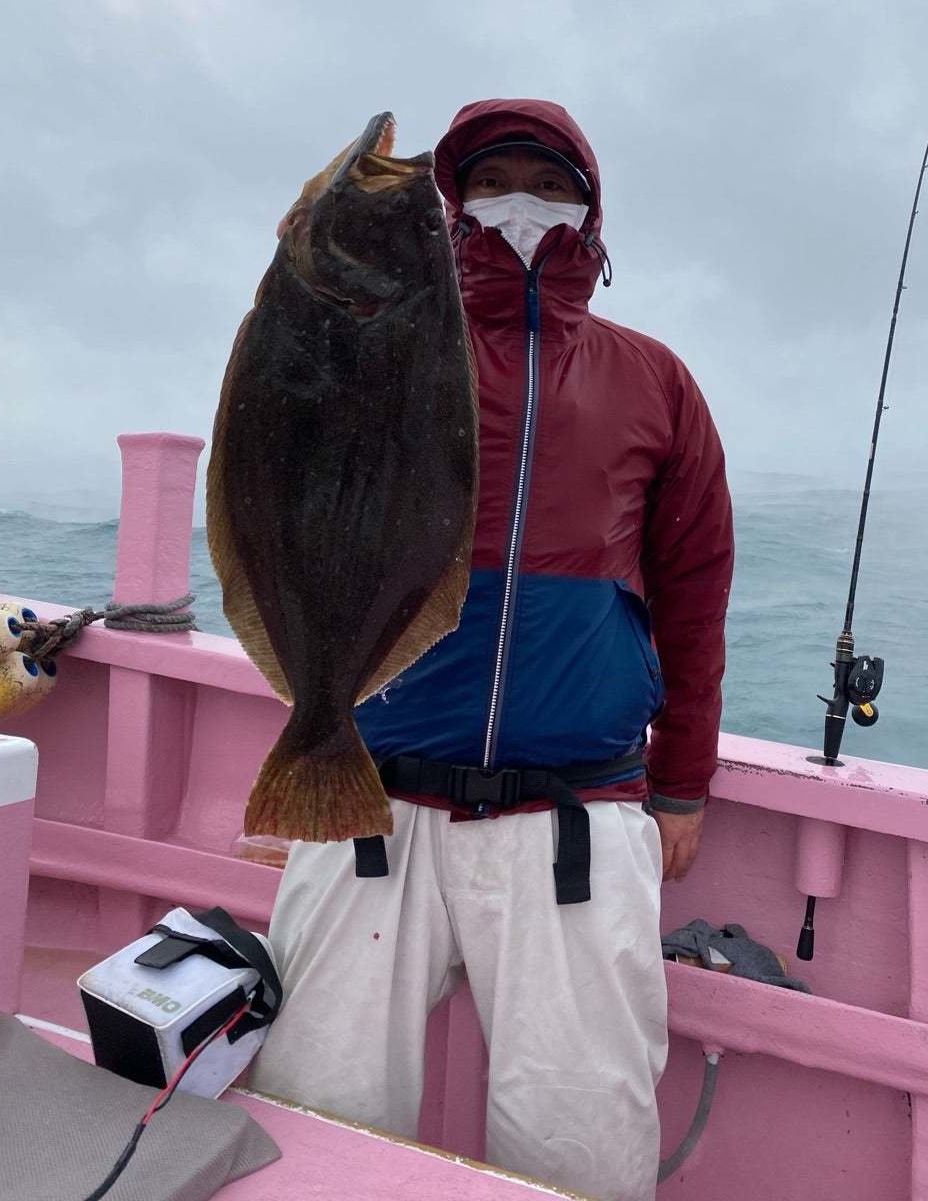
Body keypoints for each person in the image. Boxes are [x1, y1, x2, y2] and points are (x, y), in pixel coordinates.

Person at [249, 99, 734, 1201]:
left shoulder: (654, 379)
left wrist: (682, 783)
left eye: (551, 184)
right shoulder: (384, 342)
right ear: (450, 207)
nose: (524, 202)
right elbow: (286, 440)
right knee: (312, 1118)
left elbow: (696, 593)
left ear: (591, 214)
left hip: (576, 814)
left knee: (582, 1151)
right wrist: (296, 271)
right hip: (371, 798)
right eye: (495, 179)